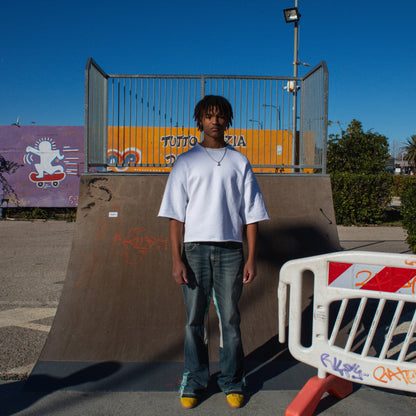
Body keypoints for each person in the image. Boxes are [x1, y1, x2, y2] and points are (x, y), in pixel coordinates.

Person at [158, 95, 269, 409]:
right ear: (200, 121)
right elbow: (175, 216)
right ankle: (194, 381)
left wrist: (251, 257)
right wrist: (176, 258)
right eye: (209, 116)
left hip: (231, 251)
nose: (215, 121)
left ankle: (233, 381)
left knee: (230, 321)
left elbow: (252, 215)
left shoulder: (239, 162)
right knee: (194, 321)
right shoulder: (185, 161)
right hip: (193, 251)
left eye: (220, 116)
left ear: (228, 121)